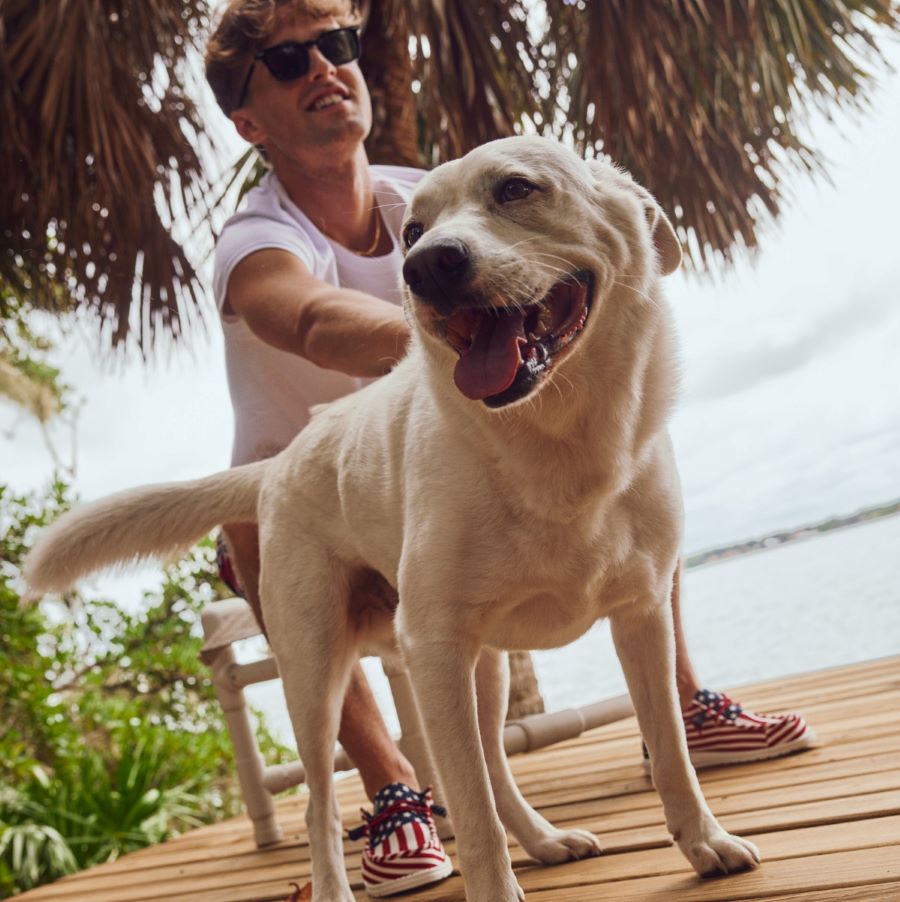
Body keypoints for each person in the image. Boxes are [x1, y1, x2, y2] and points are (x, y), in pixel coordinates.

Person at [204, 1, 813, 895]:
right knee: (272, 524)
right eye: (290, 62)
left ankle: (686, 711)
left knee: (619, 448)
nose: (325, 68)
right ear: (248, 121)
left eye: (337, 45)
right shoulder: (257, 238)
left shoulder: (431, 195)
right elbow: (311, 320)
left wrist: (522, 328)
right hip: (306, 488)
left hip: (442, 449)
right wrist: (465, 322)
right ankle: (395, 794)